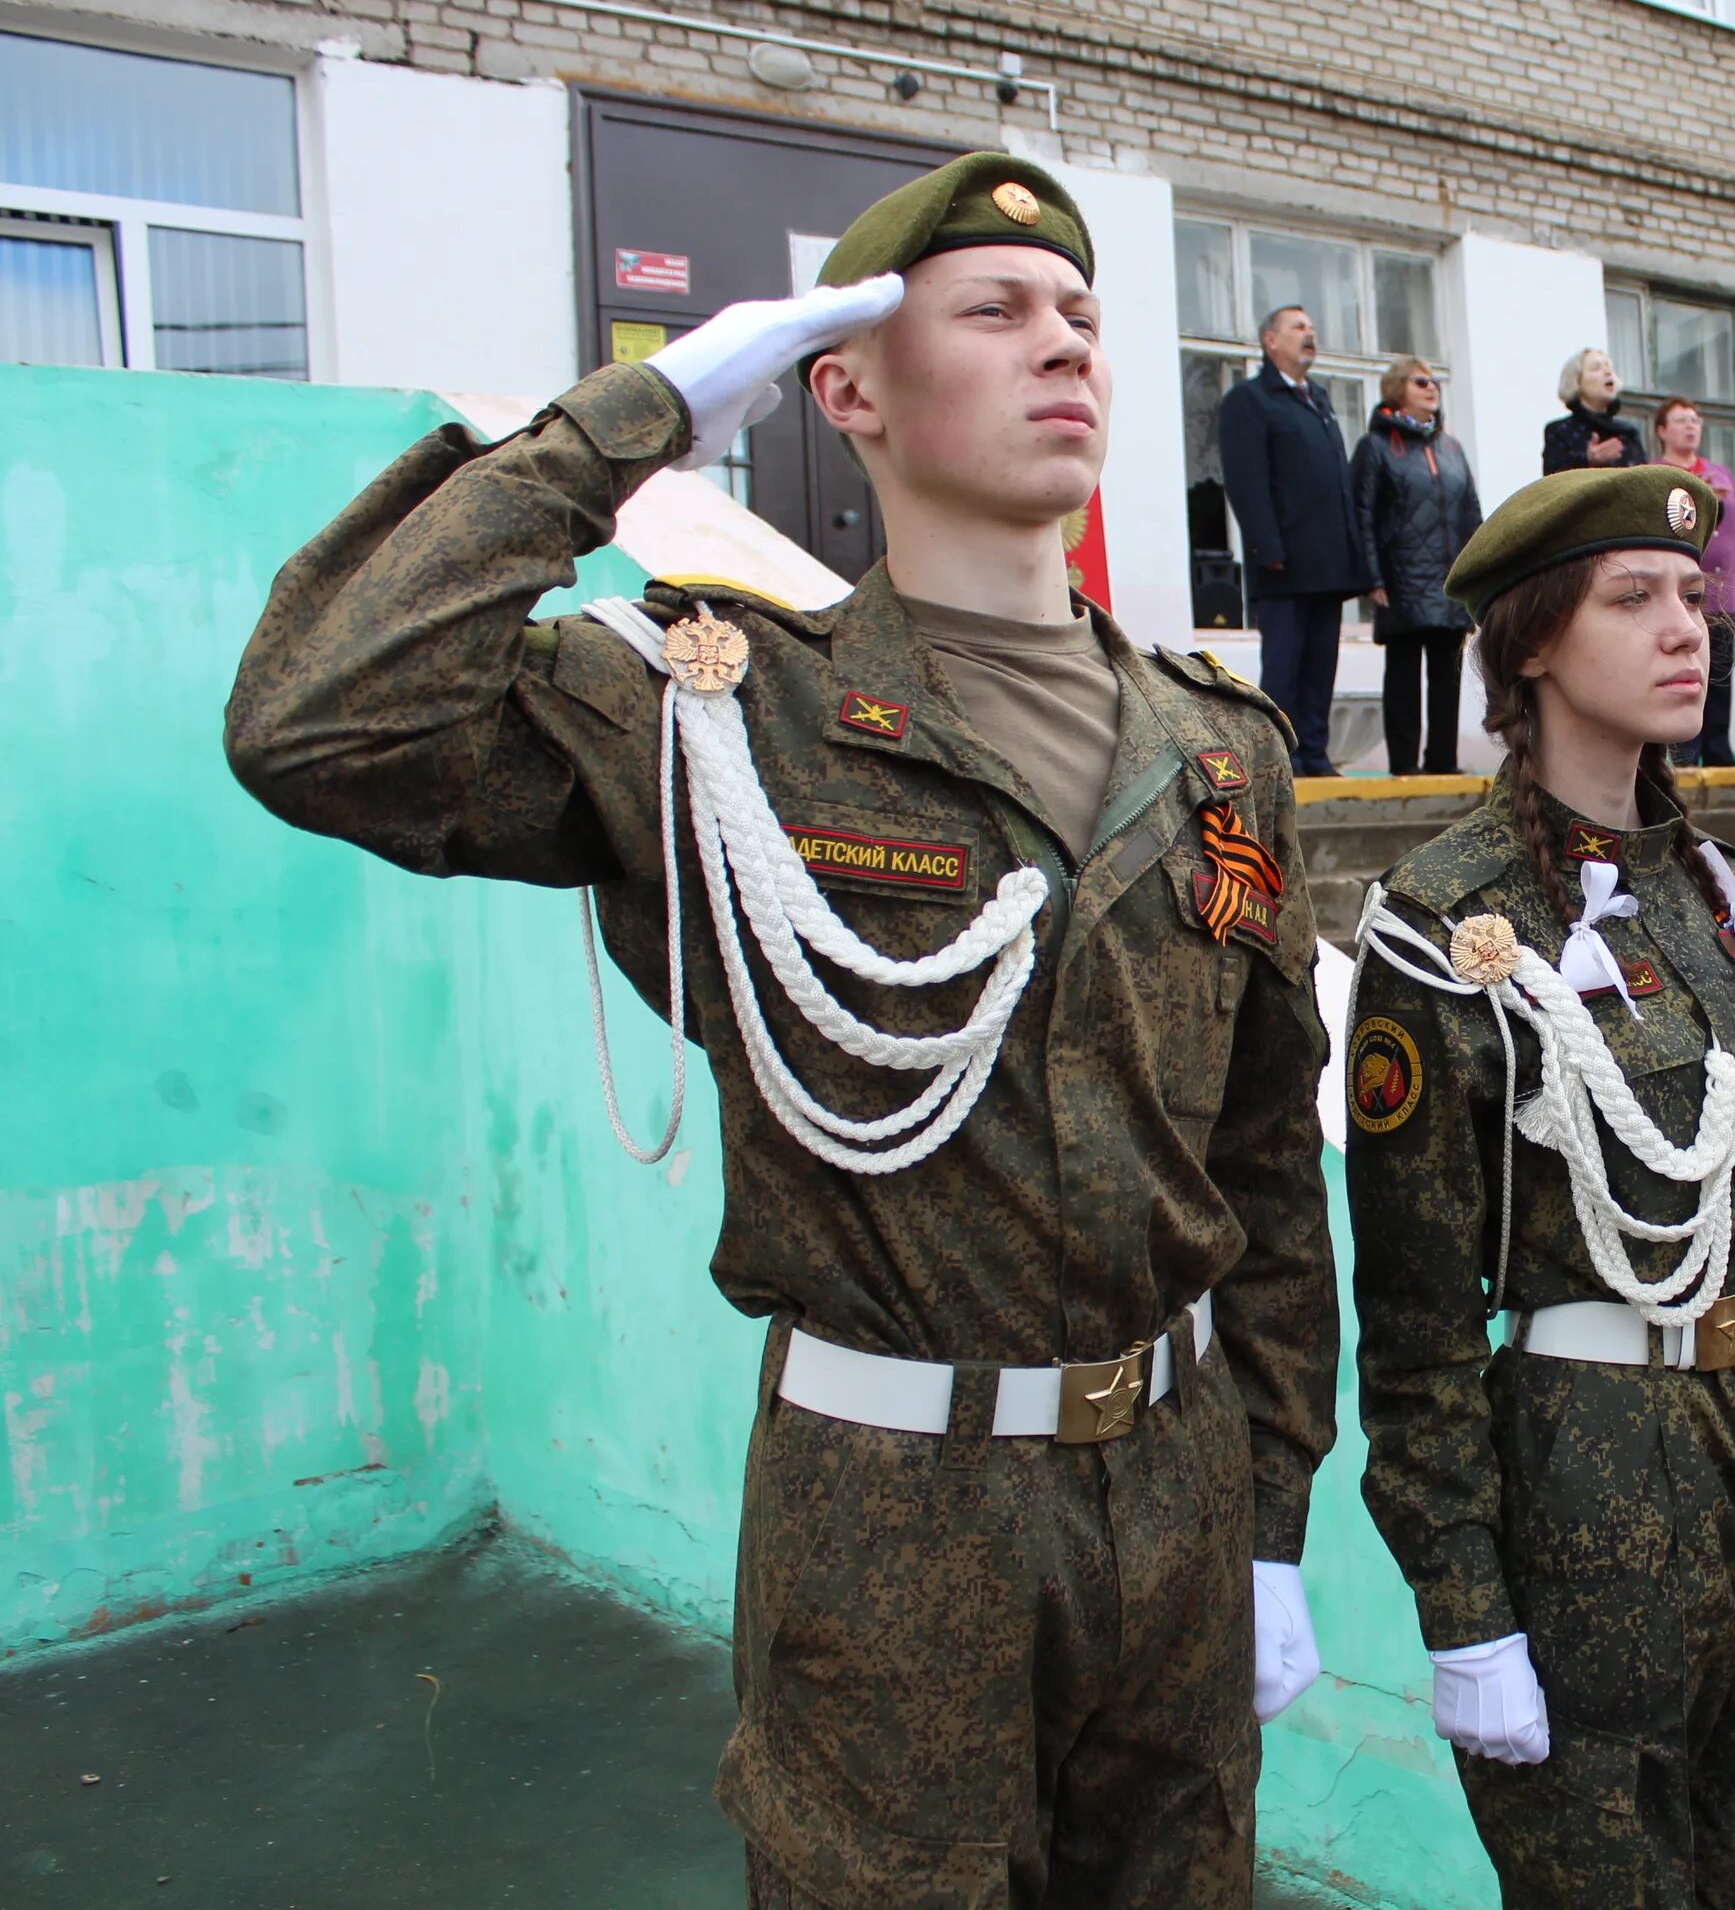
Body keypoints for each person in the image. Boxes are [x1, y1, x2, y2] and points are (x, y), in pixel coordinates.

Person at [225, 153, 1340, 1909]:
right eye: (995, 311)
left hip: (1180, 1488)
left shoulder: (1223, 748)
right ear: (845, 387)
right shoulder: (718, 705)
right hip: (892, 1504)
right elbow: (320, 719)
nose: (1065, 345)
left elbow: (1268, 1168)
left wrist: (1273, 1514)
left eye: (1084, 317)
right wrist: (639, 418)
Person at [1346, 464, 1735, 1906]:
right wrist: (1462, 1606)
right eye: (1634, 599)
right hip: (1588, 1460)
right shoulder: (1450, 924)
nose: (1688, 627)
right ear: (1533, 642)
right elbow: (1412, 1324)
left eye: (1695, 598)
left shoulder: (1723, 891)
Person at [1219, 302, 1374, 775]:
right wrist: (1267, 547)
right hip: (1284, 562)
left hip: (1328, 563)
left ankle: (1315, 754)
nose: (1311, 333)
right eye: (1299, 327)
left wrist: (1354, 554)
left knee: (1320, 666)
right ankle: (1277, 760)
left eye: (1312, 325)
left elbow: (1338, 484)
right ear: (1271, 341)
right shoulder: (1250, 400)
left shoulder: (1318, 400)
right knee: (1284, 668)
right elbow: (1247, 480)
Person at [1351, 357, 1483, 775]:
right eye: (1420, 381)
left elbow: (1471, 515)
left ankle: (1443, 764)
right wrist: (1371, 576)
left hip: (1448, 582)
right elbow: (1363, 514)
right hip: (1400, 578)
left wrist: (1477, 577)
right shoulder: (1376, 446)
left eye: (1435, 381)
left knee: (1447, 676)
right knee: (1404, 676)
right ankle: (1404, 766)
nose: (1432, 388)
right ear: (1396, 389)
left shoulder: (1451, 447)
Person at [1650, 397, 1735, 766]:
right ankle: (1686, 753)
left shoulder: (1719, 473)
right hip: (1680, 593)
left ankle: (1718, 751)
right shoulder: (1657, 473)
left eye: (1695, 420)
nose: (1691, 426)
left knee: (1720, 674)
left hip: (1726, 589)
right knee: (1685, 673)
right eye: (1682, 420)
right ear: (1662, 429)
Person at [1540, 347, 1647, 474]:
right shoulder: (1560, 431)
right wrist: (1587, 459)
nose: (1608, 372)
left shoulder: (1628, 433)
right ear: (1577, 382)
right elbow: (1552, 482)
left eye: (1608, 366)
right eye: (1596, 368)